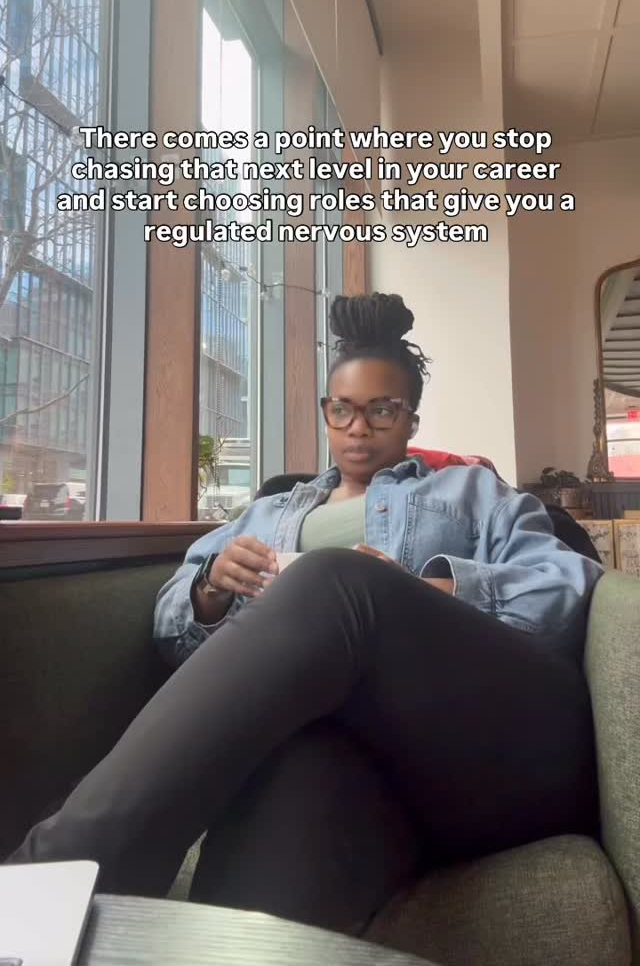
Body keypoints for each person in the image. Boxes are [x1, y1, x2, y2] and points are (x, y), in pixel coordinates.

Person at [9, 293, 603, 936]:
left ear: (410, 418)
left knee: (334, 581)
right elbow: (176, 637)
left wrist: (427, 589)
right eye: (342, 409)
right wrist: (210, 589)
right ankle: (69, 934)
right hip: (359, 772)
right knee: (290, 793)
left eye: (381, 409)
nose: (358, 427)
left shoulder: (474, 492)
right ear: (325, 413)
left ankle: (44, 878)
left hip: (480, 744)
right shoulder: (268, 511)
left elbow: (568, 585)